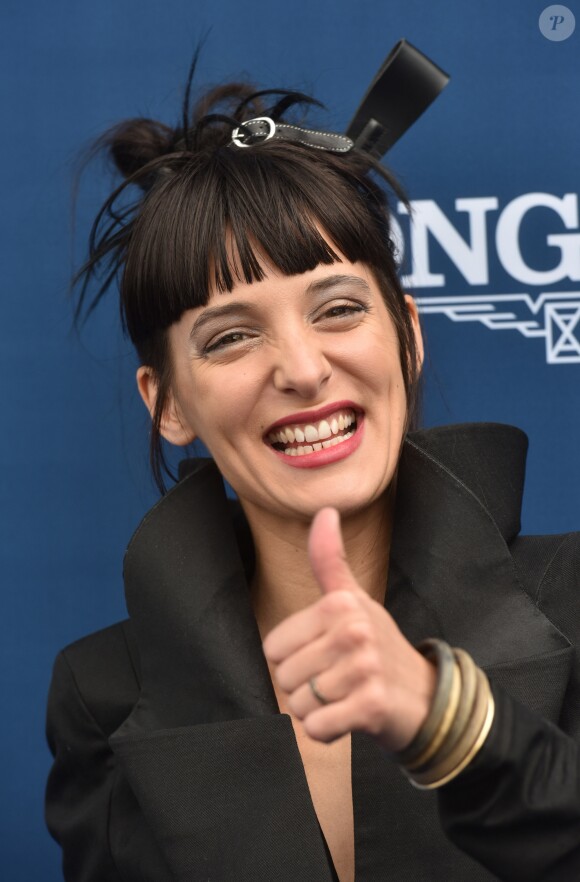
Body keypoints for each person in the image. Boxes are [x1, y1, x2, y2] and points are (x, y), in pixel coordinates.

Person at [45, 56, 580, 882]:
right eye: (230, 336)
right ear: (168, 403)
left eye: (338, 308)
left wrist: (451, 720)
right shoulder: (100, 693)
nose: (301, 368)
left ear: (406, 334)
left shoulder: (573, 598)